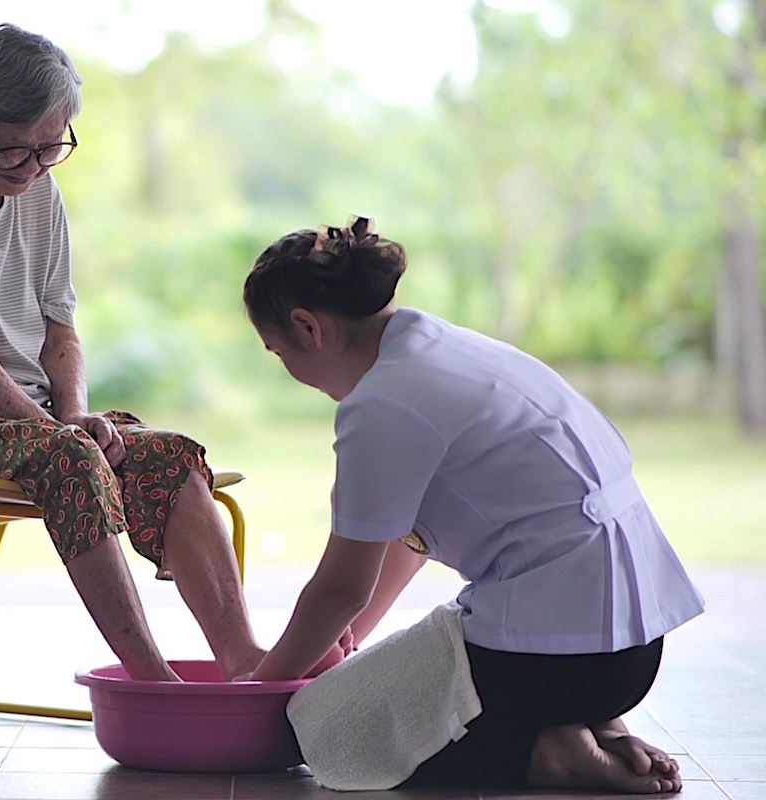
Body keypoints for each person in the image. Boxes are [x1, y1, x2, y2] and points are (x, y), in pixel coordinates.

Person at [0, 23, 317, 682]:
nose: (33, 169)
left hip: (17, 426)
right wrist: (60, 432)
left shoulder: (40, 192)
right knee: (69, 451)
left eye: (51, 148)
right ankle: (153, 683)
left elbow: (61, 331)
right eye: (14, 153)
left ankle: (243, 661)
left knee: (168, 454)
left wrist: (77, 414)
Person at [240, 216, 705, 793]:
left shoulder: (382, 403)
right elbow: (403, 543)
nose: (287, 369)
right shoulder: (448, 350)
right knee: (386, 675)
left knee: (321, 726)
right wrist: (347, 642)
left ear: (309, 328)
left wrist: (256, 694)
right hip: (632, 651)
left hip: (560, 661)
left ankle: (551, 754)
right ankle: (592, 727)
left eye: (277, 350)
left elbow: (340, 588)